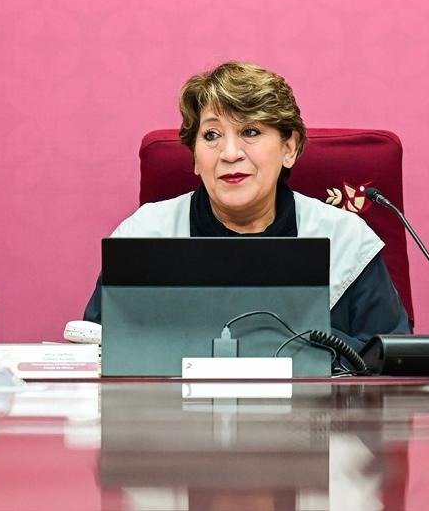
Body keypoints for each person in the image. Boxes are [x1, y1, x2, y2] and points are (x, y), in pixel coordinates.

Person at [82, 61, 411, 351]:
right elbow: (97, 352)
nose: (229, 154)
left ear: (289, 148)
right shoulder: (144, 235)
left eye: (250, 131)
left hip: (316, 405)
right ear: (194, 156)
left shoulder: (345, 241)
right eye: (211, 135)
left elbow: (387, 361)